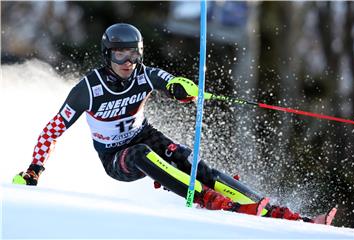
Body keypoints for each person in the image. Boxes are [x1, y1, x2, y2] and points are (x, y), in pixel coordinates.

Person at [13, 23, 332, 223]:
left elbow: (172, 82)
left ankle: (277, 211)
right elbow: (53, 129)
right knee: (140, 154)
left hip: (145, 134)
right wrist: (34, 170)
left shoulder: (143, 73)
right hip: (117, 157)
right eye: (119, 56)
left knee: (190, 160)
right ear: (106, 56)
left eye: (133, 55)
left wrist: (184, 90)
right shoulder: (90, 88)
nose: (128, 64)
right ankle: (210, 201)